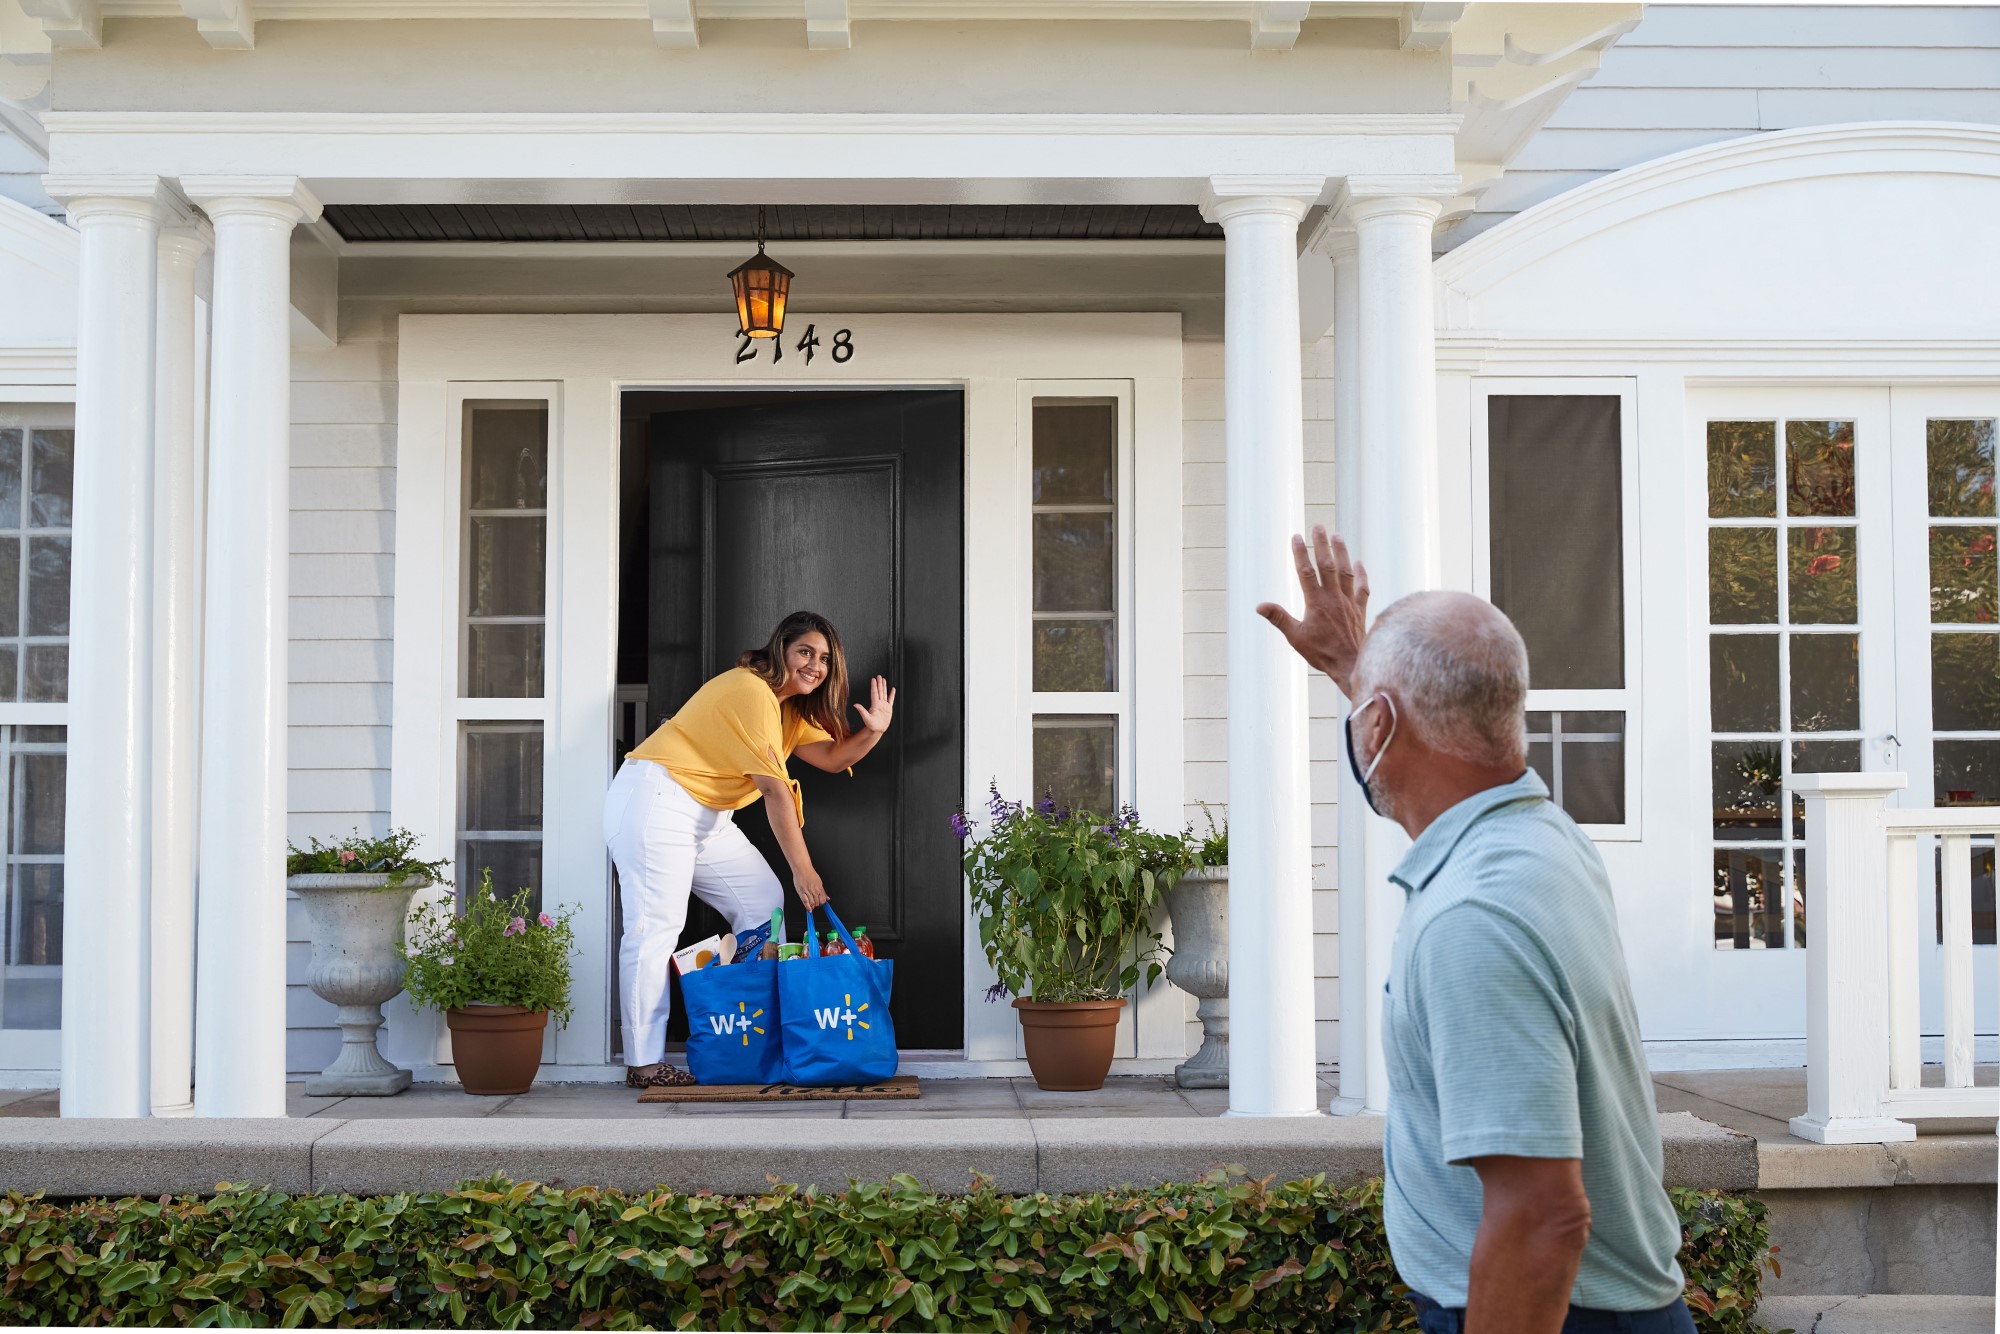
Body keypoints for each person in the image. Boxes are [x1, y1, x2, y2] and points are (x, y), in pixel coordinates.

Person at [1258, 527, 1691, 1334]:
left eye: (1365, 717)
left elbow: (1543, 1219)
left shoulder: (1473, 921)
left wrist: (1376, 697)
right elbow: (1426, 766)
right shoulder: (1541, 838)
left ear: (1377, 727)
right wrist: (1360, 675)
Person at [604, 610, 896, 1089]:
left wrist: (875, 729)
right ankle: (644, 1063)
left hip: (709, 814)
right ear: (780, 649)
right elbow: (776, 791)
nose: (815, 665)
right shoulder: (751, 690)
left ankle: (746, 1032)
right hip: (658, 800)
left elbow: (833, 756)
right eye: (805, 651)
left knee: (763, 905)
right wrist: (804, 873)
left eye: (824, 659)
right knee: (654, 928)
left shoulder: (788, 710)